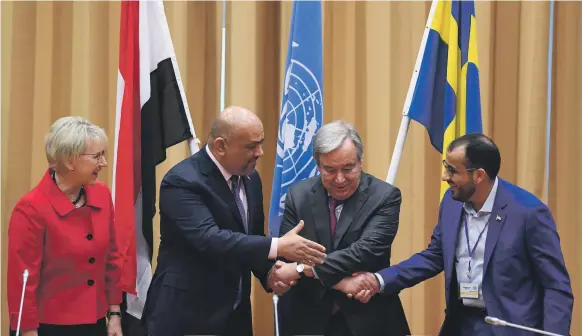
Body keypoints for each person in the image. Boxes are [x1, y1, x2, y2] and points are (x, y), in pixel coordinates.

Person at [355, 133, 574, 335]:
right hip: (462, 326)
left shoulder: (528, 213)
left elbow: (556, 285)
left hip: (509, 328)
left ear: (479, 175)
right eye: (445, 167)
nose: (444, 177)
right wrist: (379, 280)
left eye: (452, 170)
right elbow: (435, 256)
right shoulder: (451, 203)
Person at [141, 106, 327, 336]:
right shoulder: (182, 181)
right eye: (251, 146)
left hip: (234, 316)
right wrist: (279, 246)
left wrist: (269, 273)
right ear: (220, 146)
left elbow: (251, 238)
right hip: (186, 316)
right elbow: (209, 239)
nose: (260, 152)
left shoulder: (250, 177)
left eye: (260, 143)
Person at [270, 120, 410, 336]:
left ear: (360, 162)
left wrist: (304, 268)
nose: (340, 179)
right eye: (330, 170)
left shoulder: (385, 197)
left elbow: (363, 253)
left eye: (348, 168)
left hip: (367, 319)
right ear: (318, 165)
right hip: (307, 320)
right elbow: (287, 258)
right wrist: (344, 283)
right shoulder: (298, 196)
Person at [7, 116, 123, 336]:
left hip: (96, 323)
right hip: (47, 327)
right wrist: (27, 331)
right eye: (97, 156)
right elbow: (22, 282)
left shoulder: (101, 195)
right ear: (70, 160)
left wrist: (115, 313)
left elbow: (112, 258)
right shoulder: (31, 209)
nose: (104, 163)